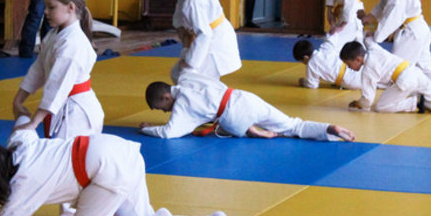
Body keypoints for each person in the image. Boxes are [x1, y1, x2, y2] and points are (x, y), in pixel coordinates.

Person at [0, 116, 247, 216]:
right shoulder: (19, 148)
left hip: (105, 171)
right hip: (121, 153)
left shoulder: (25, 183)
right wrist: (24, 112)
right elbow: (24, 128)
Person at [12, 0, 103, 216]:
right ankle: (79, 214)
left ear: (71, 7)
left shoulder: (74, 43)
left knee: (72, 164)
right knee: (67, 161)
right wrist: (19, 97)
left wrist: (34, 122)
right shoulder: (55, 35)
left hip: (77, 112)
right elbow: (39, 69)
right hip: (65, 109)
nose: (46, 12)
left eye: (51, 7)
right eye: (46, 7)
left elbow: (57, 87)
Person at [140, 71, 355, 141]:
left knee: (223, 126)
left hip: (233, 118)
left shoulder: (181, 106)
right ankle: (329, 129)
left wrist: (146, 129)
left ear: (166, 97)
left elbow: (169, 132)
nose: (164, 112)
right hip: (243, 98)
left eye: (161, 107)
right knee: (292, 125)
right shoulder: (188, 78)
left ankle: (251, 131)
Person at [160, 0, 241, 83]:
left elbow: (205, 34)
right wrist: (180, 28)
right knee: (178, 74)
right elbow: (180, 12)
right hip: (207, 39)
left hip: (215, 43)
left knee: (190, 79)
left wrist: (190, 62)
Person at [292, 33, 362, 90]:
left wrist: (303, 82)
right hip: (357, 69)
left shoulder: (311, 64)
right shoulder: (325, 48)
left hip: (352, 82)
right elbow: (331, 39)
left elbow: (312, 85)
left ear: (305, 57)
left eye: (302, 61)